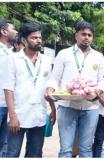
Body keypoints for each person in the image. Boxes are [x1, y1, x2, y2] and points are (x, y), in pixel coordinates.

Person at [45, 21, 104, 157]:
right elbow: (54, 77)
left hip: (91, 107)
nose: (86, 37)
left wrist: (99, 90)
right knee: (66, 149)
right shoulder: (64, 54)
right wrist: (50, 89)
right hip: (67, 106)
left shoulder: (99, 56)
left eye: (90, 35)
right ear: (76, 35)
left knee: (86, 149)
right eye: (83, 34)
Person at [3, 22, 55, 157]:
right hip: (19, 115)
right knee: (12, 153)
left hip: (39, 116)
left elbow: (49, 84)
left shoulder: (46, 60)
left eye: (39, 37)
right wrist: (12, 116)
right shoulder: (13, 59)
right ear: (24, 40)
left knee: (35, 154)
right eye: (34, 37)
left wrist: (53, 109)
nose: (38, 40)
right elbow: (8, 89)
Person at [0, 19, 18, 157]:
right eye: (14, 29)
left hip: (9, 104)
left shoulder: (11, 53)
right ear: (3, 31)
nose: (16, 32)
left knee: (5, 143)